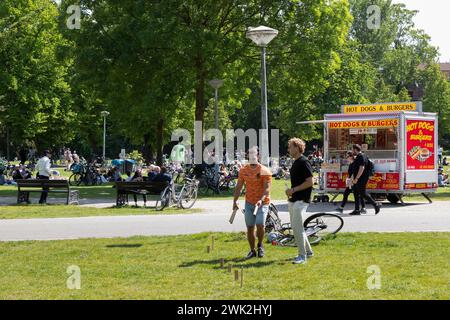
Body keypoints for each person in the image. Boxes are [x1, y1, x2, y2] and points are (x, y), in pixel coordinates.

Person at [233, 146, 272, 259]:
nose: (252, 157)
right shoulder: (243, 170)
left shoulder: (265, 171)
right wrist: (234, 201)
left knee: (260, 224)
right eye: (249, 154)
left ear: (258, 156)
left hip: (262, 202)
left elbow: (267, 189)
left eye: (254, 154)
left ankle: (260, 245)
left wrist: (261, 199)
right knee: (250, 227)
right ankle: (252, 250)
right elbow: (239, 187)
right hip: (249, 202)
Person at [285, 138, 314, 265]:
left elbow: (310, 182)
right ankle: (309, 252)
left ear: (297, 148)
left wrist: (293, 190)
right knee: (298, 227)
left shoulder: (304, 161)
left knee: (297, 229)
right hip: (294, 199)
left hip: (301, 200)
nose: (289, 149)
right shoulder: (296, 162)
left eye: (290, 147)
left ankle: (302, 256)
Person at [351, 144, 380, 215]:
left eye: (352, 149)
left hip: (361, 178)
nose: (352, 151)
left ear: (355, 149)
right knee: (355, 192)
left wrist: (357, 178)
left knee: (363, 193)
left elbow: (362, 168)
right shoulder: (361, 156)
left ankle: (376, 205)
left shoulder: (361, 156)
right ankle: (357, 210)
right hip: (359, 178)